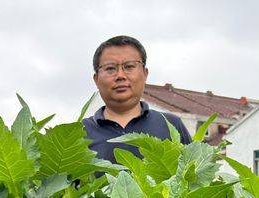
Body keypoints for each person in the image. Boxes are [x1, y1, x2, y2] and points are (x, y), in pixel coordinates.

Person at [82, 35, 192, 164]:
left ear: (145, 73)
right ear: (96, 79)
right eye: (110, 68)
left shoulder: (171, 124)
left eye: (129, 66)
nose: (120, 76)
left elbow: (192, 178)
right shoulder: (78, 134)